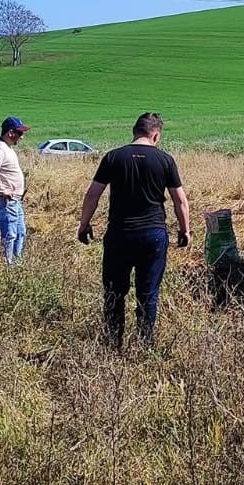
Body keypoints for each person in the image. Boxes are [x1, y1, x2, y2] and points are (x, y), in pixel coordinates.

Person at [77, 113, 190, 349]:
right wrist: (184, 230)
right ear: (156, 135)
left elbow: (92, 194)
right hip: (153, 235)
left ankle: (112, 343)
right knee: (148, 293)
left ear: (134, 131)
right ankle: (145, 345)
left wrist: (84, 223)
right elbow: (180, 200)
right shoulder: (165, 160)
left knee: (114, 291)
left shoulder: (113, 157)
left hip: (120, 234)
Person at [0, 116, 30, 264]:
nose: (22, 137)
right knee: (10, 234)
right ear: (10, 133)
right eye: (20, 133)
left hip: (14, 200)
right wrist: (2, 190)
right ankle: (8, 265)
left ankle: (17, 263)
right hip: (5, 200)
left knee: (20, 232)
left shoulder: (7, 148)